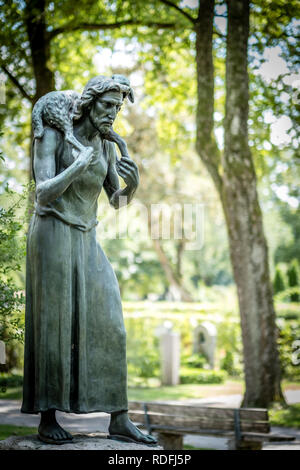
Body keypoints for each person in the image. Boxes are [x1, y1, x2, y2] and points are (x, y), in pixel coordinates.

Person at [21, 75, 157, 446]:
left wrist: (134, 185)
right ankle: (48, 415)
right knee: (54, 323)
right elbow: (43, 195)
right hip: (51, 232)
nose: (112, 114)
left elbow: (116, 202)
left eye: (117, 107)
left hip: (86, 235)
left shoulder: (106, 144)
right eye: (107, 106)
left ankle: (119, 417)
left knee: (111, 321)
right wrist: (78, 165)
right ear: (89, 103)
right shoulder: (52, 133)